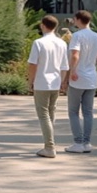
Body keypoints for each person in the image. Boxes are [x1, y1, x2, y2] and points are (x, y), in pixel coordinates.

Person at [29, 15, 70, 157]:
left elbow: (33, 64)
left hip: (42, 82)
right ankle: (49, 144)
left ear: (43, 25)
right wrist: (62, 82)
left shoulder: (38, 42)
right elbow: (64, 66)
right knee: (51, 113)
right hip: (55, 81)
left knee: (43, 114)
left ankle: (49, 146)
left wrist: (31, 80)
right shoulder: (62, 43)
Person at [65, 10, 97, 153]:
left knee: (73, 111)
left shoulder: (77, 35)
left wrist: (72, 71)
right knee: (88, 112)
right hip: (92, 76)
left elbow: (75, 55)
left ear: (78, 19)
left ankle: (78, 142)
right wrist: (91, 64)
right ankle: (87, 142)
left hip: (78, 77)